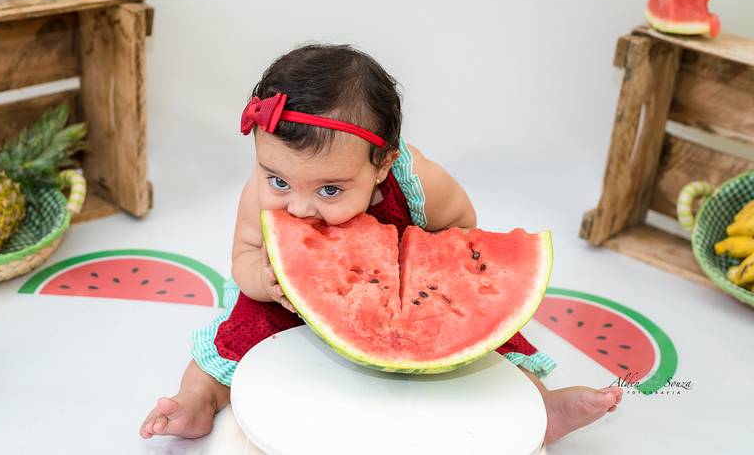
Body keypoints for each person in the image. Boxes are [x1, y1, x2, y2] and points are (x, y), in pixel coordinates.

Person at [140, 44, 622, 444]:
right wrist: (266, 279)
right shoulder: (260, 193)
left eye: (330, 190)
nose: (302, 208)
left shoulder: (420, 179)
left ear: (383, 165)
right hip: (287, 298)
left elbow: (460, 222)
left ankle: (539, 408)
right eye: (279, 181)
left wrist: (431, 266)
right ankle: (197, 400)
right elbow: (243, 256)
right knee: (238, 329)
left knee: (485, 343)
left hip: (409, 284)